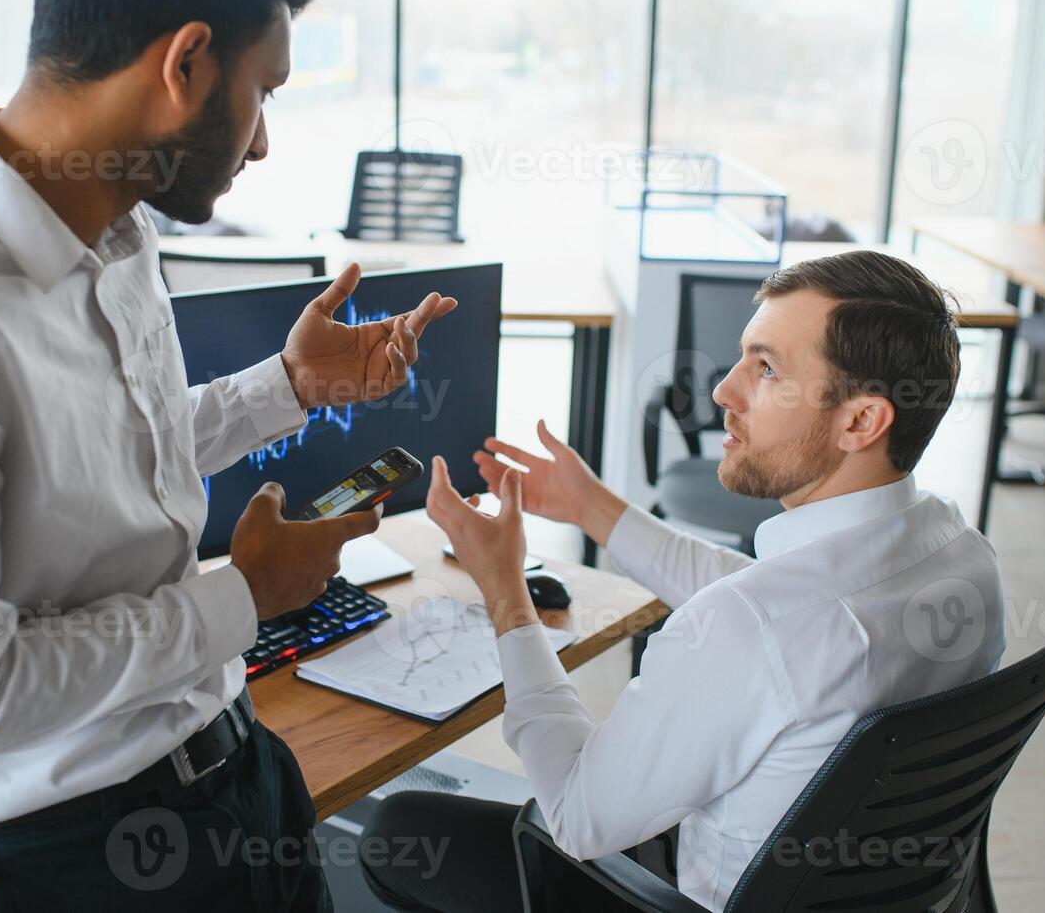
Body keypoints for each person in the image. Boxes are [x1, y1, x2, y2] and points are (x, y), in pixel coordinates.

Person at [0, 0, 457, 909]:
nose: (261, 141)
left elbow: (107, 460)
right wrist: (245, 594)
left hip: (234, 781)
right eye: (265, 92)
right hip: (47, 868)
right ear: (185, 64)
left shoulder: (120, 229)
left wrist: (287, 384)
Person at [363, 251, 1006, 912]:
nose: (723, 391)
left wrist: (504, 590)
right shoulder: (964, 558)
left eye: (766, 369)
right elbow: (770, 601)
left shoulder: (751, 628)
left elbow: (580, 818)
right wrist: (593, 509)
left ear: (860, 421)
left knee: (399, 829)